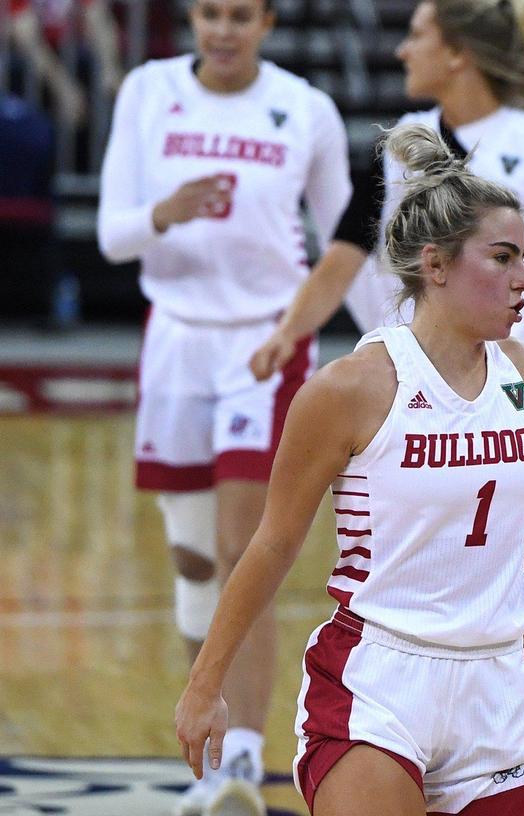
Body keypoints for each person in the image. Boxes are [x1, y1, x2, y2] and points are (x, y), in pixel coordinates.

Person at [173, 122, 524, 816]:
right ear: (436, 264)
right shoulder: (350, 389)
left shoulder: (517, 368)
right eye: (503, 258)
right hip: (379, 682)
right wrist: (206, 685)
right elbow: (271, 543)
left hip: (495, 682)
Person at [247, 0, 524, 545]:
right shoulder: (401, 144)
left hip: (510, 382)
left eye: (416, 34)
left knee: (503, 571)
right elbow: (343, 257)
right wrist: (288, 332)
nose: (402, 49)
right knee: (405, 563)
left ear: (457, 54)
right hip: (410, 385)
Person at [95, 1, 352, 813]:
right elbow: (111, 234)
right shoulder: (148, 90)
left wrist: (398, 337)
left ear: (268, 21)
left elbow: (352, 234)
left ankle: (242, 760)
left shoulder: (306, 109)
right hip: (175, 338)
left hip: (265, 343)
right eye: (209, 12)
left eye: (240, 14)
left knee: (249, 546)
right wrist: (164, 213)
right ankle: (209, 717)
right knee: (195, 562)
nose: (223, 29)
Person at [7, 0, 123, 126]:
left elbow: (98, 17)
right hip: (31, 61)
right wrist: (64, 89)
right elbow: (29, 42)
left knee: (105, 85)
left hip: (71, 51)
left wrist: (110, 69)